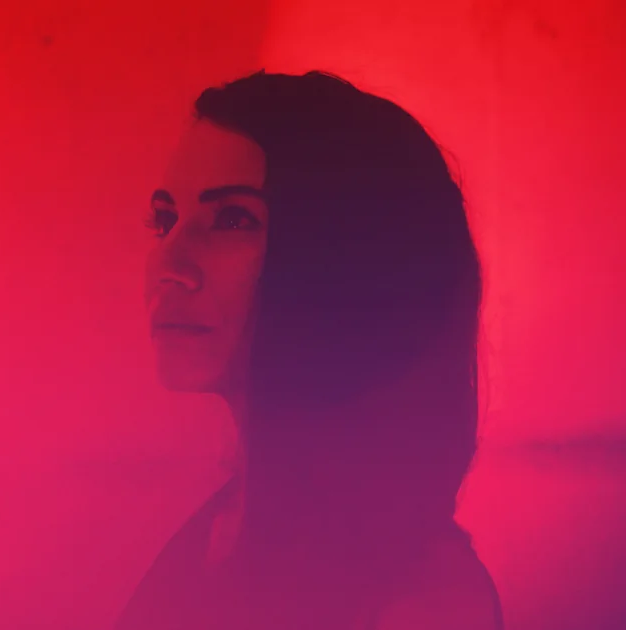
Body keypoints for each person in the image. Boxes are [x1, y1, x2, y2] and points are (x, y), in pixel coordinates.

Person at [116, 70, 503, 630]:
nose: (170, 267)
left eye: (232, 219)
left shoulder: (422, 601)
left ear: (344, 258)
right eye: (165, 219)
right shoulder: (219, 528)